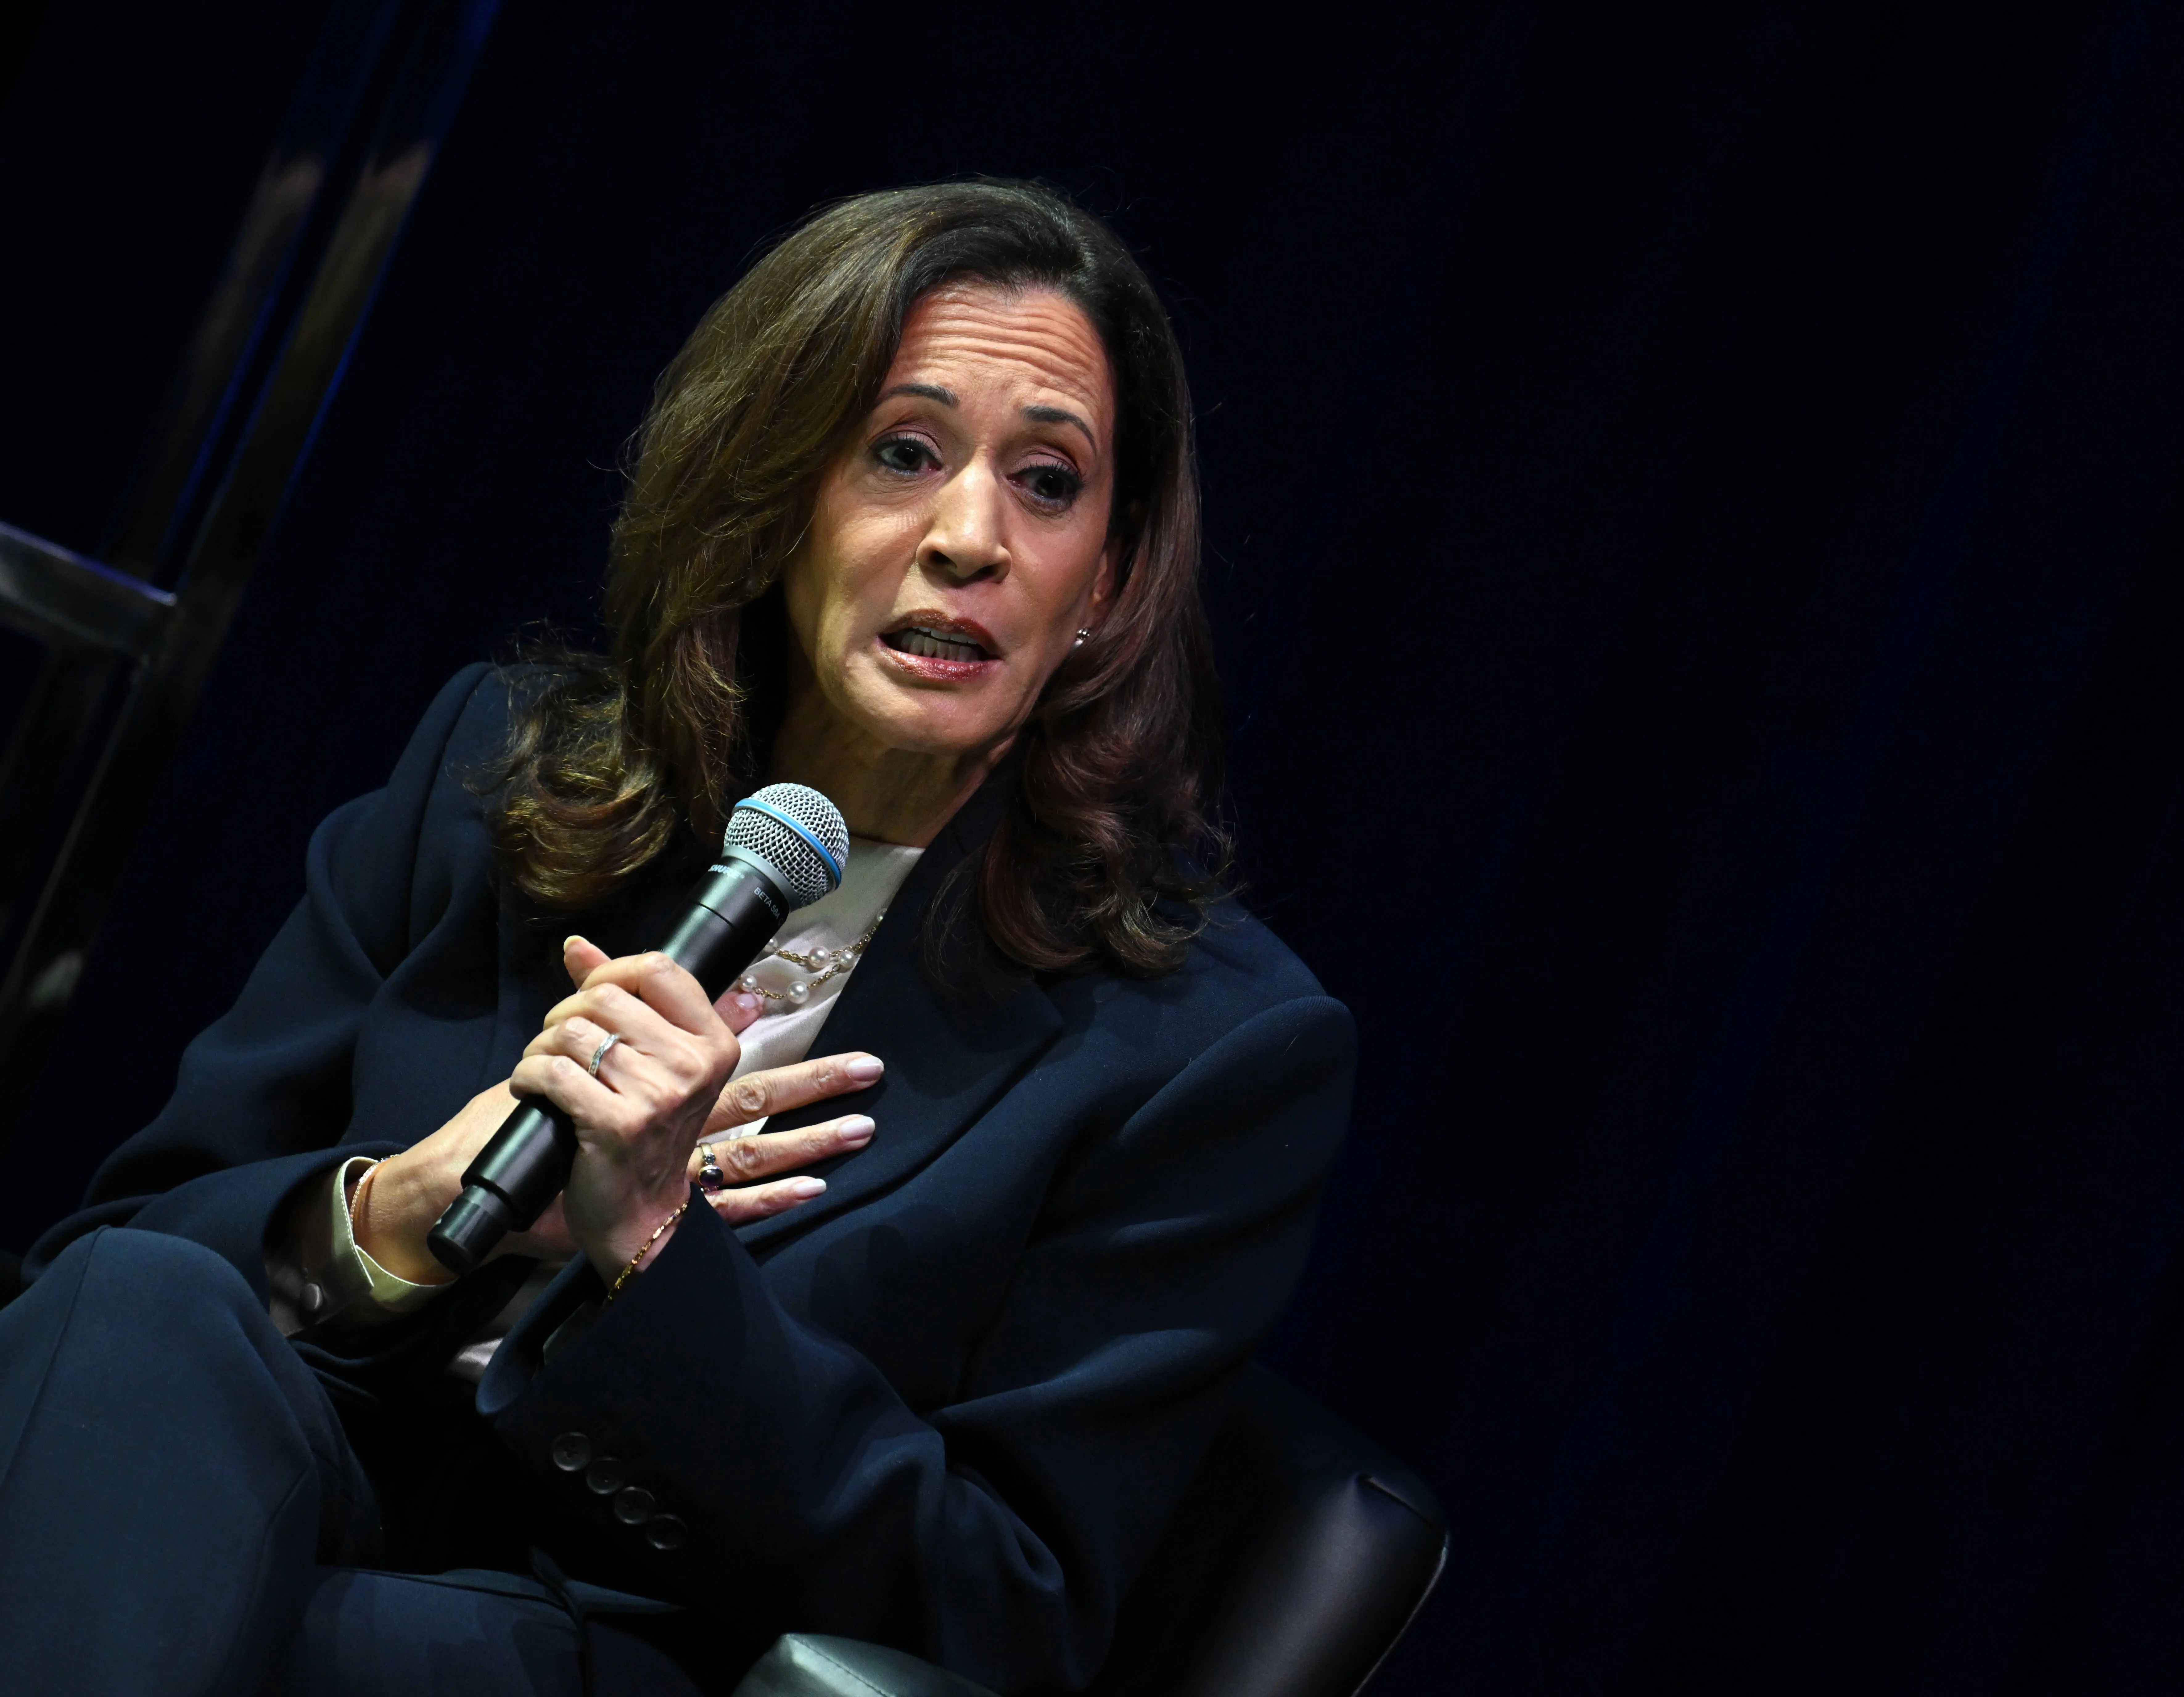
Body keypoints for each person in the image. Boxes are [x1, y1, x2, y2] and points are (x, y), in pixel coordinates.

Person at [0, 181, 1354, 1696]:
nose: (973, 537)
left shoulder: (1201, 1046)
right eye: (904, 453)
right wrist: (404, 1209)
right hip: (256, 1495)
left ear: (1105, 579)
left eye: (1049, 483)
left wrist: (650, 1250)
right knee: (143, 1315)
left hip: (617, 1642)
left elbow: (1003, 1608)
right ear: (772, 496)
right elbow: (98, 1272)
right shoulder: (494, 768)